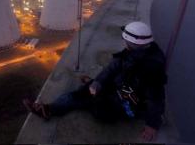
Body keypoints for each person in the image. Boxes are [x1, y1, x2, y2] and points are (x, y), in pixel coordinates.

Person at [23, 22, 167, 142]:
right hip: (122, 88)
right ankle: (49, 109)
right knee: (84, 92)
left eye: (126, 40)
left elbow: (156, 98)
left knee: (98, 109)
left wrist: (152, 124)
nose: (124, 42)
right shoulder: (134, 53)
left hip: (129, 100)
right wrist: (97, 82)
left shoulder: (151, 68)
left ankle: (52, 109)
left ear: (131, 42)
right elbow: (111, 69)